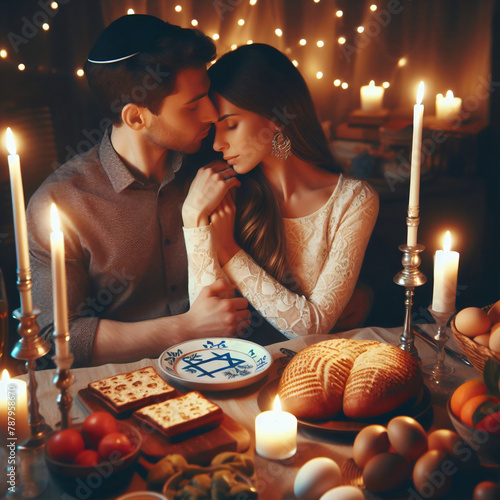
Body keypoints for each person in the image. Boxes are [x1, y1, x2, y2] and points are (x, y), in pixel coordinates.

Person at [26, 15, 250, 368]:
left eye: (207, 95)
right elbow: (54, 337)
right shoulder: (60, 202)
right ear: (135, 118)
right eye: (193, 105)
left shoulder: (216, 160)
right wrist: (185, 328)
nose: (212, 114)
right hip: (115, 390)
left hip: (225, 367)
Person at [182, 43, 379, 340]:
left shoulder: (353, 200)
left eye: (231, 125)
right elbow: (210, 331)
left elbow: (312, 327)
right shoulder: (220, 192)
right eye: (215, 129)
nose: (217, 144)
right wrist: (193, 217)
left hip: (312, 370)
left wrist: (228, 251)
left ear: (275, 118)